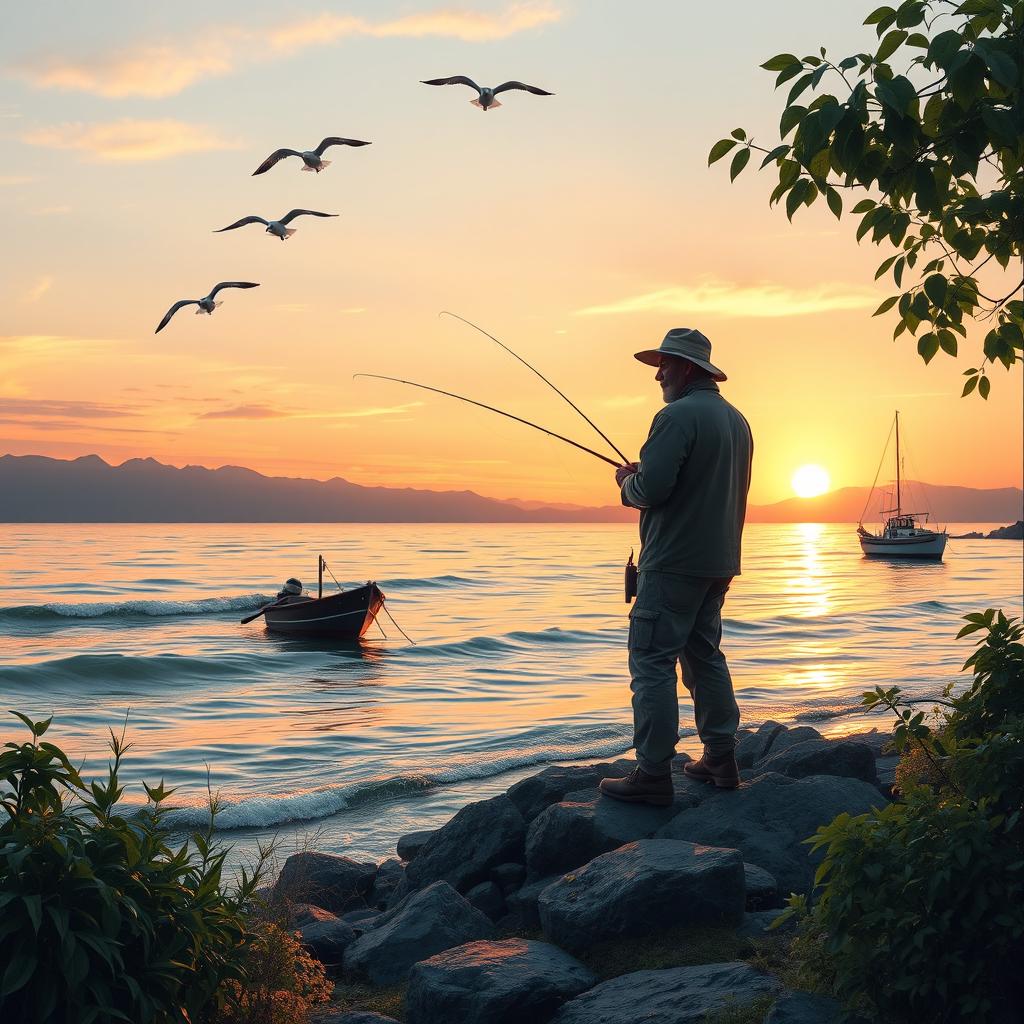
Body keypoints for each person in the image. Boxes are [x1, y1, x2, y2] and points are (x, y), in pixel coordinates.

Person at [599, 327, 753, 805]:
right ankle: (721, 759)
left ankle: (651, 773)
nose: (658, 374)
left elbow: (654, 489)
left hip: (671, 564)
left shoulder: (674, 416)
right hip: (719, 561)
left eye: (664, 365)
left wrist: (628, 483)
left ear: (687, 368)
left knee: (651, 662)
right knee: (705, 656)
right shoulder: (737, 420)